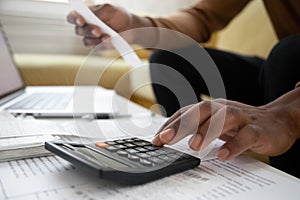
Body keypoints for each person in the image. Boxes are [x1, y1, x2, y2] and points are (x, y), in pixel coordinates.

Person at [67, 0, 300, 178]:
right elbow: (201, 17)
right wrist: (133, 25)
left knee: (289, 54)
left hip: (290, 75)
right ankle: (181, 153)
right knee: (169, 57)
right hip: (274, 76)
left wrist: (291, 113)